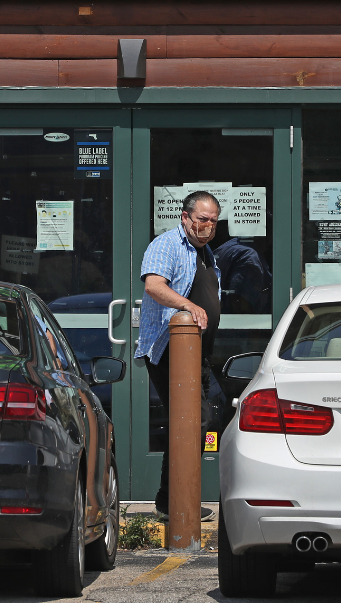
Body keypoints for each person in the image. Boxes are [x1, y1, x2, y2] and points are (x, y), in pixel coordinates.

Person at [134, 191, 221, 522]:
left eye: (213, 221)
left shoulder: (206, 253)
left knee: (188, 423)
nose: (208, 227)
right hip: (172, 348)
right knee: (194, 421)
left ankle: (169, 499)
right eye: (202, 220)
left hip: (198, 353)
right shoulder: (167, 244)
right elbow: (154, 285)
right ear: (185, 217)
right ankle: (177, 502)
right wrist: (187, 305)